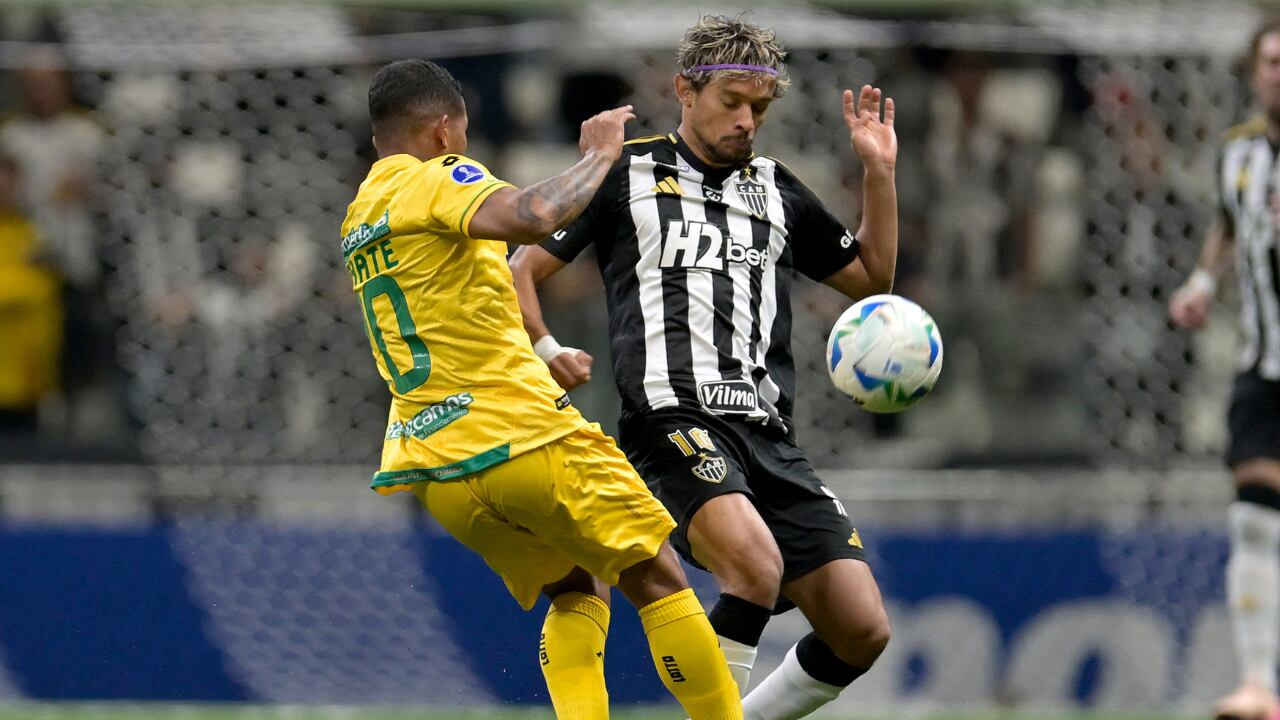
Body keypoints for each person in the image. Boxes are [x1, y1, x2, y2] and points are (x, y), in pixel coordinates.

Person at [510, 15, 896, 719]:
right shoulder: (627, 172)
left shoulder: (777, 190)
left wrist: (878, 171)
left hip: (767, 435)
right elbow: (520, 270)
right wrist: (544, 350)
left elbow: (872, 282)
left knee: (861, 628)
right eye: (732, 103)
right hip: (672, 416)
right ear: (686, 91)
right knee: (753, 568)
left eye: (760, 109)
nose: (747, 121)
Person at [341, 59, 741, 720]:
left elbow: (478, 285)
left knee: (578, 590)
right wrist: (599, 157)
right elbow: (532, 216)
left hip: (437, 466)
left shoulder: (363, 214)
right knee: (657, 573)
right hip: (519, 436)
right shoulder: (439, 177)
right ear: (443, 131)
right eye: (463, 135)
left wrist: (546, 344)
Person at [1169, 19, 1280, 720]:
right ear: (1253, 71)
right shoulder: (1239, 155)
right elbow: (1229, 226)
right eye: (1272, 60)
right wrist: (1202, 285)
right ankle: (1259, 687)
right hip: (1264, 367)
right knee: (1253, 520)